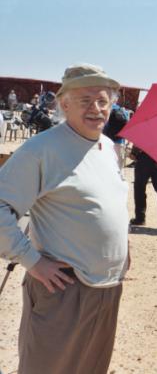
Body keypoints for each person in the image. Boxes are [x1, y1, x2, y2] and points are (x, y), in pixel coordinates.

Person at [0, 63, 129, 374]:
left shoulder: (108, 148)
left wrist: (123, 247)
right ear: (64, 103)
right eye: (85, 100)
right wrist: (31, 260)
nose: (96, 109)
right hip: (62, 289)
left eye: (103, 101)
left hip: (107, 288)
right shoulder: (41, 150)